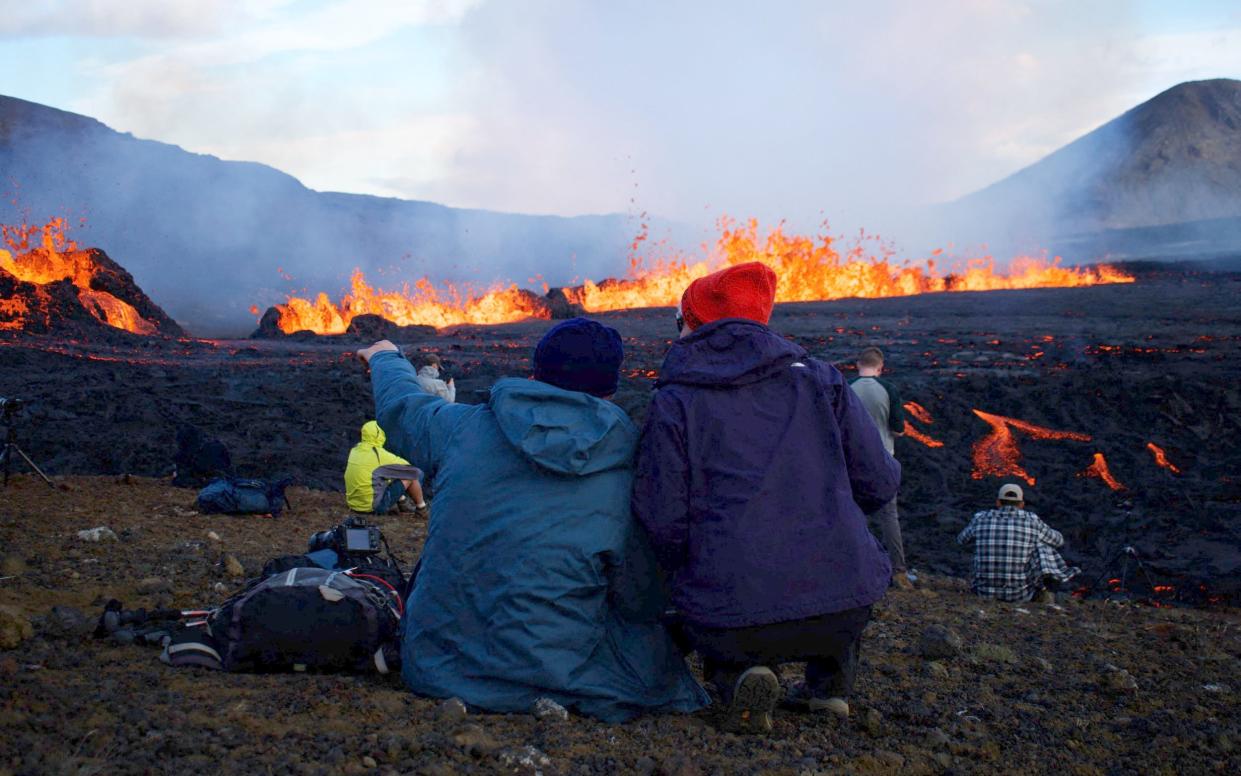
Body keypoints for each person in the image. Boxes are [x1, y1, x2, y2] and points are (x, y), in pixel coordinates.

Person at [355, 319, 708, 722]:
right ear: (610, 390)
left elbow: (402, 408)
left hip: (438, 667)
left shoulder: (461, 428)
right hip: (556, 674)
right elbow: (637, 598)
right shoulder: (630, 464)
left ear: (534, 373)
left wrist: (385, 356)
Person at [632, 262, 900, 734]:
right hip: (843, 605)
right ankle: (830, 687)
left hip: (732, 612)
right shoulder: (821, 380)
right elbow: (878, 484)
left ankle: (739, 678)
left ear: (693, 323)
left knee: (713, 590)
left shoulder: (676, 400)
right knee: (839, 562)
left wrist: (680, 576)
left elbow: (663, 518)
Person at [848, 346, 913, 590]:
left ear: (858, 364)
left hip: (851, 460)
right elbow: (898, 429)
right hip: (883, 460)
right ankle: (899, 571)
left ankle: (853, 566)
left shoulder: (846, 387)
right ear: (880, 367)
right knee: (889, 515)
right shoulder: (889, 389)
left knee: (851, 512)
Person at [956, 483, 1080, 603]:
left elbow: (961, 540)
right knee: (1042, 547)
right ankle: (1047, 593)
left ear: (998, 502)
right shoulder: (1032, 521)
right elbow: (1058, 541)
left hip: (983, 592)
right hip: (1020, 595)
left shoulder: (980, 518)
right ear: (1021, 504)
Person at [344, 420, 427, 518]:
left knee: (386, 473)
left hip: (354, 504)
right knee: (410, 475)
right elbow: (413, 472)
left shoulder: (355, 450)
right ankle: (422, 509)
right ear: (379, 434)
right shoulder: (380, 455)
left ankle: (403, 504)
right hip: (373, 507)